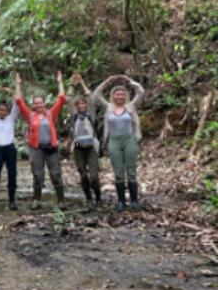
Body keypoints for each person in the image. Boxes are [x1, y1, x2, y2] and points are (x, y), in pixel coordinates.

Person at [93, 75, 145, 211]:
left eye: (122, 94)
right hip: (114, 141)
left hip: (129, 140)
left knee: (131, 171)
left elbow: (141, 92)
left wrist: (129, 81)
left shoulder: (131, 106)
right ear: (113, 96)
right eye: (117, 94)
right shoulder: (108, 107)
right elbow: (96, 95)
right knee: (119, 172)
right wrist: (107, 81)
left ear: (126, 96)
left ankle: (134, 201)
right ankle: (121, 201)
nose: (119, 97)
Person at [15, 71, 66, 210]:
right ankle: (36, 200)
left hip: (51, 148)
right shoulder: (30, 116)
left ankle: (61, 201)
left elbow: (61, 98)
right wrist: (18, 84)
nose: (38, 105)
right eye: (36, 103)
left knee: (55, 174)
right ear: (33, 105)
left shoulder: (51, 113)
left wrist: (60, 82)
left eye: (40, 103)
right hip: (36, 149)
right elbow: (19, 101)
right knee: (38, 175)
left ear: (44, 103)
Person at [67, 72, 101, 208]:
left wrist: (81, 82)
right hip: (78, 148)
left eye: (83, 104)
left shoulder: (90, 113)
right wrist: (71, 84)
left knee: (93, 176)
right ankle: (88, 198)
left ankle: (98, 197)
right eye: (79, 104)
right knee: (83, 176)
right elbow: (68, 98)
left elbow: (90, 97)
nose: (81, 106)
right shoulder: (74, 116)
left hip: (91, 147)